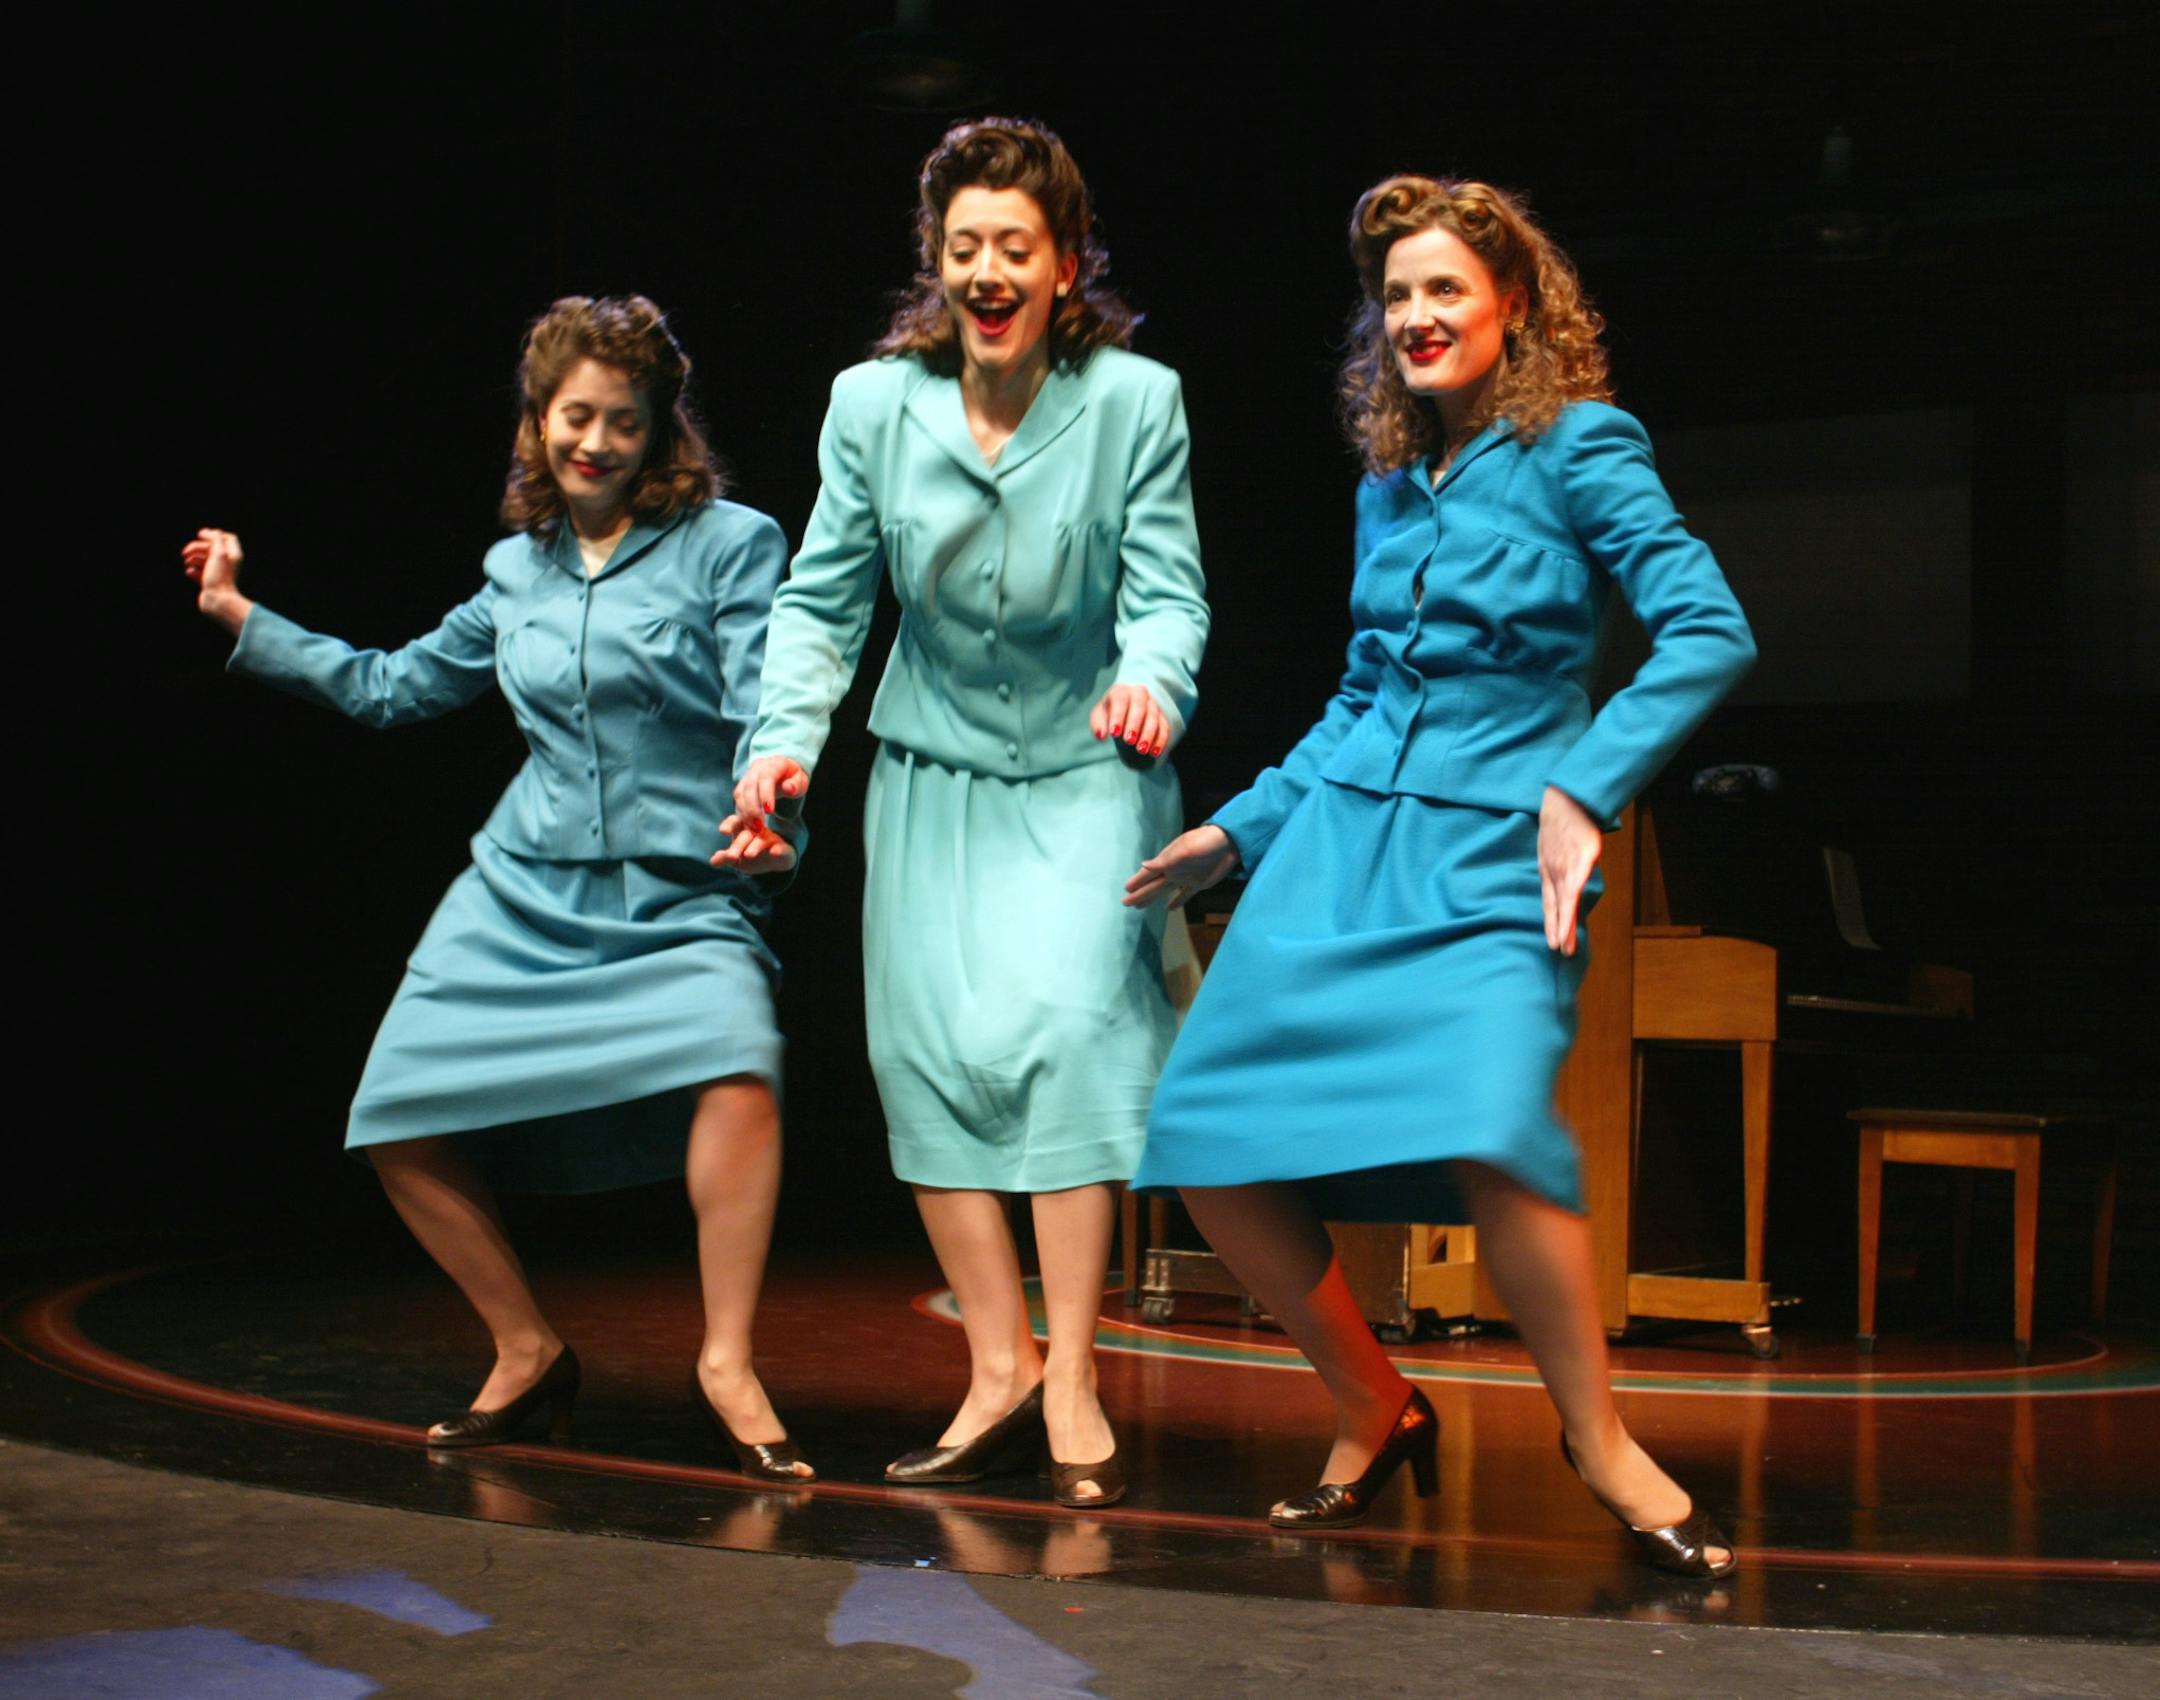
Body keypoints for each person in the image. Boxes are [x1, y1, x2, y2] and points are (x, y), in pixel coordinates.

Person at [1126, 177, 1754, 1576]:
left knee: (1490, 1121)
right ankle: (1370, 1400)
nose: (1415, 316)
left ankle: (1597, 1440)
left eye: (1444, 290)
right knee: (1206, 1132)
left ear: (1514, 303)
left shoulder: (1584, 447)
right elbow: (1362, 696)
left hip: (1490, 852)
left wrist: (1585, 788)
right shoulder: (1389, 490)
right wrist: (1237, 832)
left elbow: (1709, 632)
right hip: (1341, 853)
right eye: (1395, 296)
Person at [183, 296, 813, 1480]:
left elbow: (763, 701)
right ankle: (524, 1344)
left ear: (659, 429)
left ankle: (727, 1357)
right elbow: (388, 689)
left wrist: (766, 819)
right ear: (539, 421)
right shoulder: (511, 571)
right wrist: (237, 613)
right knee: (396, 1113)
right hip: (522, 886)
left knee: (741, 1069)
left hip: (684, 879)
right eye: (577, 416)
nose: (598, 442)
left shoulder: (732, 542)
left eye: (625, 421)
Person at [722, 118, 1209, 1507]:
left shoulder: (1135, 402)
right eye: (964, 249)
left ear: (1067, 265)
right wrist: (781, 749)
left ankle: (1070, 1370)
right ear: (937, 265)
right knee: (920, 1054)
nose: (988, 272)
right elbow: (821, 605)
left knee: (1067, 1043)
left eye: (1017, 248)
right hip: (932, 770)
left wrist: (1151, 684)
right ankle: (997, 1361)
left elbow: (1166, 592)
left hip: (1083, 770)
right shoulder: (872, 408)